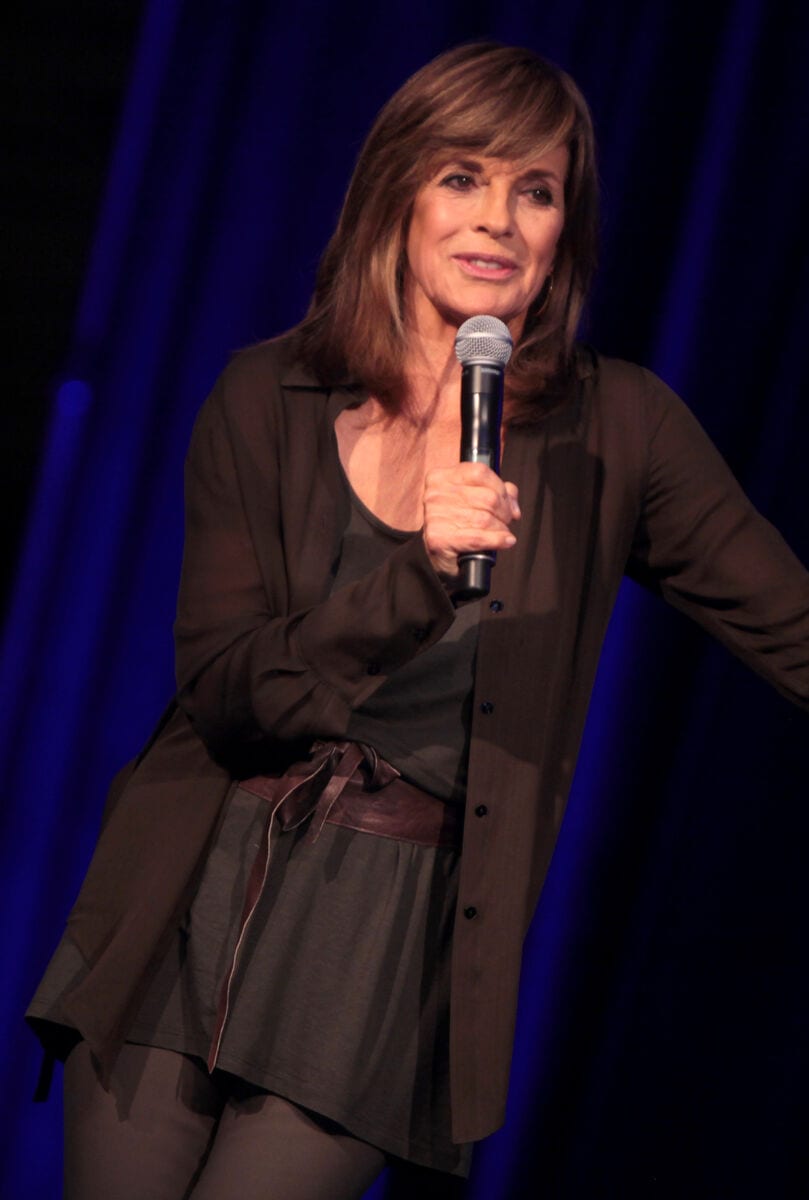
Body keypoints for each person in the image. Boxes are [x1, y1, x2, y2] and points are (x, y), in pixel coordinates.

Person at [27, 41, 809, 1200]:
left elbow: (792, 625)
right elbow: (230, 690)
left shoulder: (617, 429)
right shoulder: (267, 394)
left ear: (563, 230)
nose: (497, 218)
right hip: (186, 890)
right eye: (462, 177)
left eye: (534, 190)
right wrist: (418, 574)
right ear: (397, 191)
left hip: (383, 940)